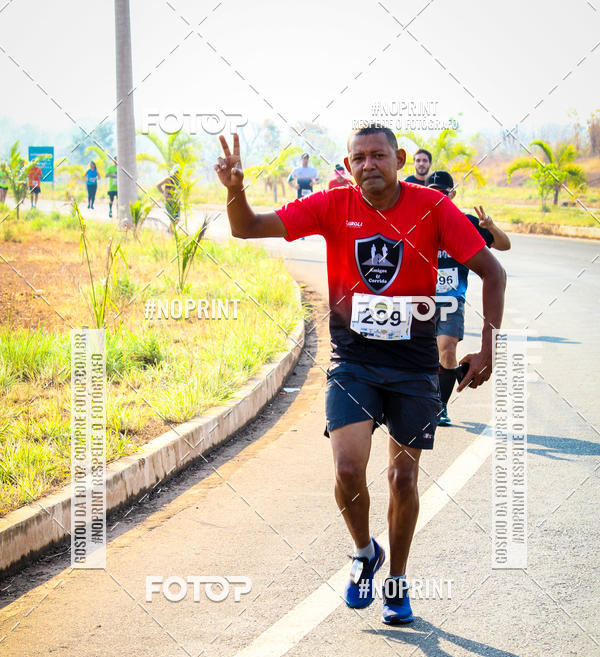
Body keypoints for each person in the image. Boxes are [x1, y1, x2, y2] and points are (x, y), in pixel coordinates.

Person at [215, 127, 505, 626]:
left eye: (378, 155)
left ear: (400, 159)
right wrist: (235, 190)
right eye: (358, 158)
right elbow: (246, 227)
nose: (368, 164)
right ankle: (365, 551)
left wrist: (487, 346)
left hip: (414, 363)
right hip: (353, 360)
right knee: (348, 469)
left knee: (402, 478)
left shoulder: (433, 207)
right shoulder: (333, 205)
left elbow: (492, 271)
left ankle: (397, 580)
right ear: (348, 165)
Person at [426, 170, 511, 426]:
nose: (438, 198)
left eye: (443, 193)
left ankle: (440, 406)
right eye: (432, 193)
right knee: (422, 355)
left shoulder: (466, 222)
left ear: (452, 194)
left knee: (447, 348)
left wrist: (490, 227)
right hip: (419, 301)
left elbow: (504, 245)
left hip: (451, 301)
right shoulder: (418, 220)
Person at [157, 165, 181, 233]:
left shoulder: (179, 181)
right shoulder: (169, 179)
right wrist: (163, 193)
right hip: (169, 201)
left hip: (176, 202)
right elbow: (158, 186)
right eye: (176, 172)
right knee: (173, 219)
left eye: (178, 172)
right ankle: (170, 233)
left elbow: (180, 190)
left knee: (177, 219)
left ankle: (169, 231)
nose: (177, 173)